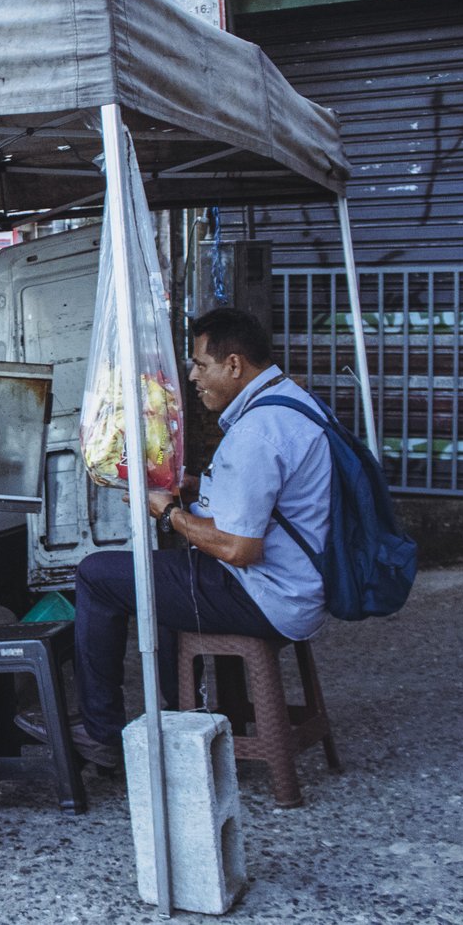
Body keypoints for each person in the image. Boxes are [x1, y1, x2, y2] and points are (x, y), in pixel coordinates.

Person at [70, 307, 332, 770]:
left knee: (97, 575)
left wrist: (169, 512)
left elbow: (239, 547)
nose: (192, 376)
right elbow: (259, 498)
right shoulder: (292, 400)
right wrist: (192, 485)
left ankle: (103, 734)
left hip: (267, 594)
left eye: (201, 365)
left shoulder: (257, 432)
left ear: (234, 365)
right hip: (298, 585)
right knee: (161, 579)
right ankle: (182, 717)